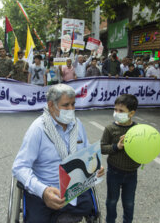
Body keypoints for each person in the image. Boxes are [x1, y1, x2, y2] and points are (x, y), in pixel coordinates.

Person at [12, 84, 104, 223]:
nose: (71, 109)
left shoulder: (77, 124)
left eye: (73, 104)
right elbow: (19, 167)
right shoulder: (38, 129)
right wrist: (43, 191)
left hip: (75, 189)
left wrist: (95, 166)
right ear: (51, 105)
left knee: (91, 210)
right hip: (46, 190)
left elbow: (87, 151)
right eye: (66, 105)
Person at [100, 94, 140, 223]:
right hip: (114, 172)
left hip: (132, 173)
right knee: (111, 201)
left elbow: (143, 149)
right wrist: (117, 146)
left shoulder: (138, 130)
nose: (117, 113)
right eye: (115, 109)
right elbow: (102, 148)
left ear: (131, 113)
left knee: (129, 203)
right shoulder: (110, 129)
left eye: (121, 111)